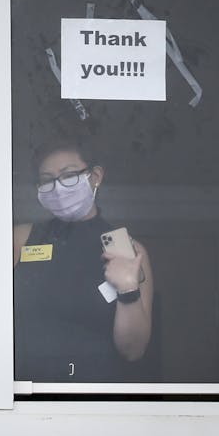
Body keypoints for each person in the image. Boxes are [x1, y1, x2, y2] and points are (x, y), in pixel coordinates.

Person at [13, 137, 153, 382]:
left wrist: (128, 289)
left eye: (68, 176)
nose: (58, 187)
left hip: (96, 399)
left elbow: (133, 351)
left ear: (95, 176)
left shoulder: (128, 250)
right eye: (47, 180)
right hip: (24, 396)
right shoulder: (23, 238)